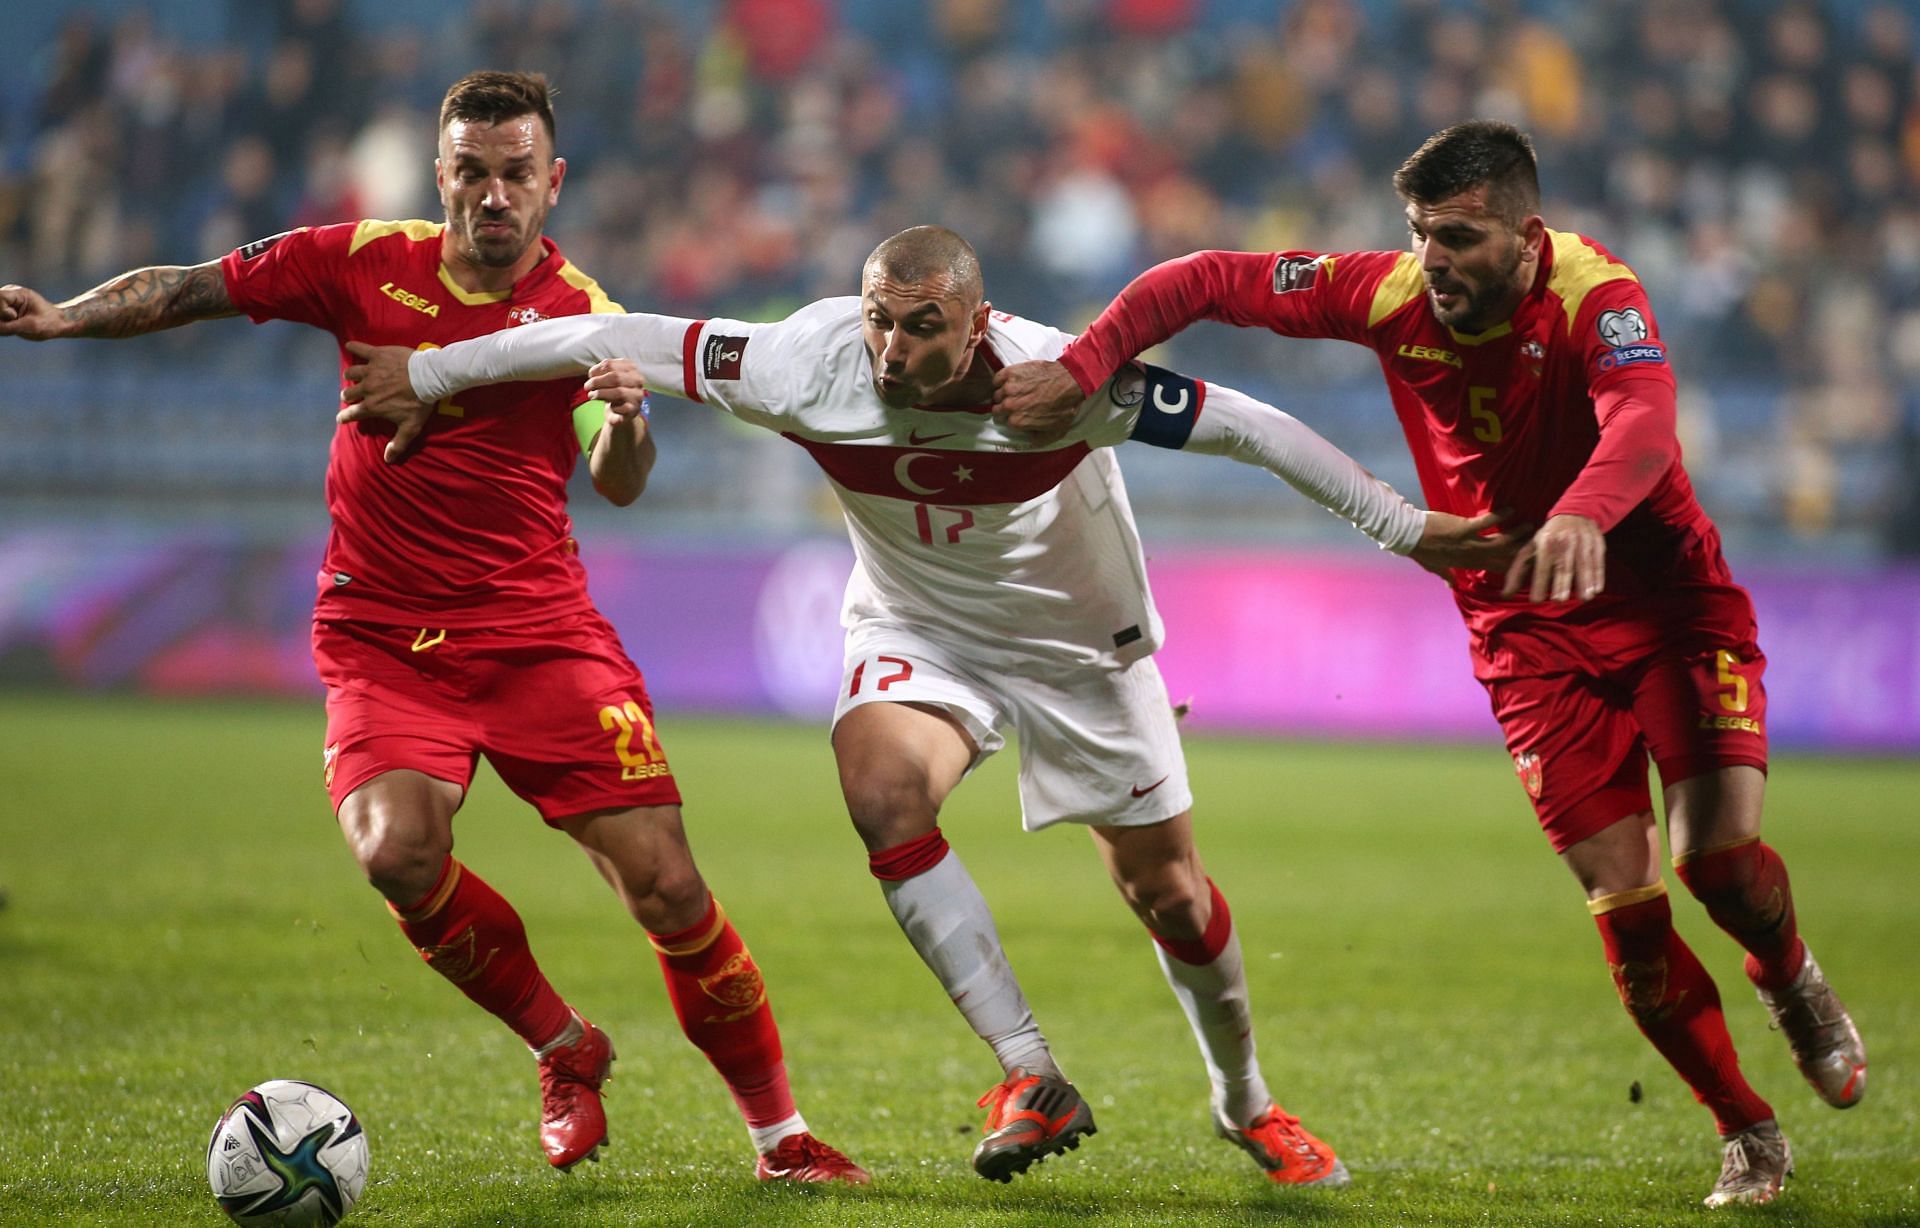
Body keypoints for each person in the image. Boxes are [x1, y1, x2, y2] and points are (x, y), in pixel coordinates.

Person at [336, 223, 1519, 1186]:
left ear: (978, 318)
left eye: (924, 326)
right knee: (881, 788)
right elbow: (604, 330)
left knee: (1166, 889)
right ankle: (1028, 1069)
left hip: (1077, 645)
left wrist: (1406, 529)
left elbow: (1248, 427)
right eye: (881, 321)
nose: (895, 350)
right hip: (919, 630)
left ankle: (1244, 1101)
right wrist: (427, 373)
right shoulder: (808, 364)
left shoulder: (1061, 380)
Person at [0, 70, 866, 1186]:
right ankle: (565, 1047)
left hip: (539, 633)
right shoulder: (362, 261)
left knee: (666, 886)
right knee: (395, 850)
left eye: (517, 175)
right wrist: (66, 316)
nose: (493, 196)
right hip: (380, 631)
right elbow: (198, 287)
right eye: (472, 172)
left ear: (551, 183)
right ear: (440, 172)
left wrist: (632, 423)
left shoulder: (581, 313)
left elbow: (619, 473)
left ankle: (780, 1138)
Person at [990, 119, 1867, 1210]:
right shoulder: (1387, 294)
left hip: (1665, 603)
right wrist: (1085, 364)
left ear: (1527, 236)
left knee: (1721, 868)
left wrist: (1585, 514)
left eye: (1458, 235)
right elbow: (1206, 277)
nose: (1433, 260)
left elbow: (1643, 421)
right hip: (1524, 632)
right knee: (1630, 912)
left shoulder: (1598, 293)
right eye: (1419, 235)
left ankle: (1788, 976)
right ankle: (1747, 1128)